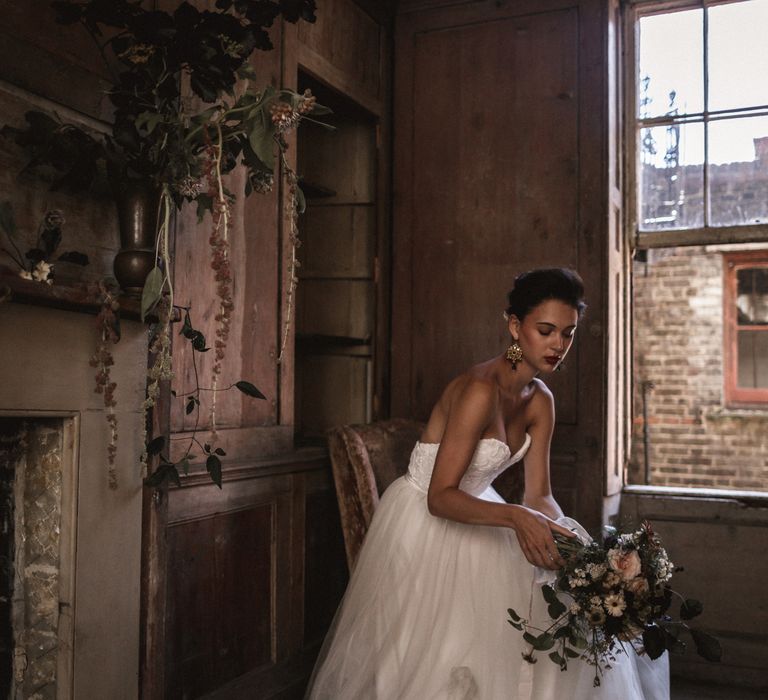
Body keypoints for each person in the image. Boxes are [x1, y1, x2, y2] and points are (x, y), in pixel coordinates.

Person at [306, 268, 669, 699]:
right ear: (515, 326)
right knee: (448, 652)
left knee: (545, 614)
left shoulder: (541, 401)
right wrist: (518, 517)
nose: (558, 345)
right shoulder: (480, 390)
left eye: (568, 334)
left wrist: (581, 550)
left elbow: (539, 494)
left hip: (484, 510)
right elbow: (440, 497)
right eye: (546, 330)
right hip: (427, 517)